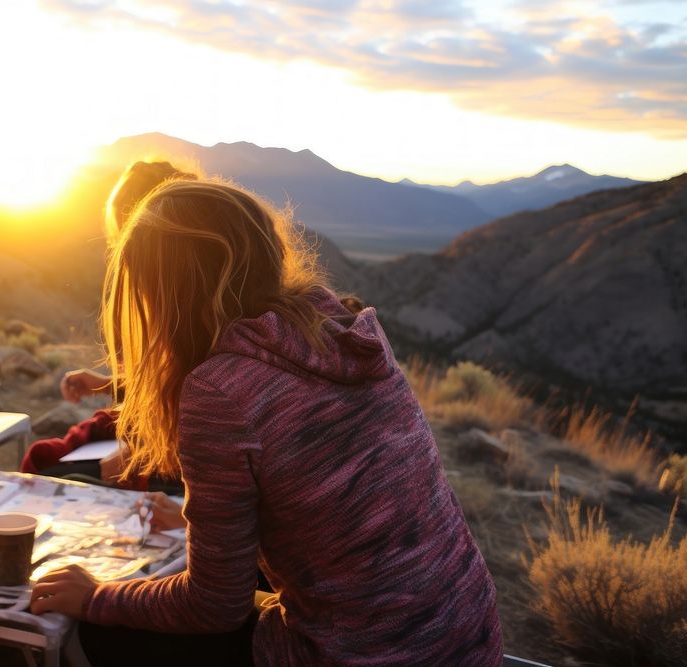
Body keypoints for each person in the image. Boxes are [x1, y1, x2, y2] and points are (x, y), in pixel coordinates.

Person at [29, 180, 503, 665]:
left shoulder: (222, 388)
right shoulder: (343, 332)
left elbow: (213, 606)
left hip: (365, 655)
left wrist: (94, 597)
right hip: (467, 637)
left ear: (163, 293)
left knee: (94, 636)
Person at [20, 161, 195, 489]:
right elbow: (163, 381)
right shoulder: (162, 297)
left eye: (126, 237)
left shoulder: (191, 306)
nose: (121, 255)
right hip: (145, 430)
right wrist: (105, 384)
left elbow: (196, 403)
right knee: (44, 455)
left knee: (49, 479)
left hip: (173, 450)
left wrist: (139, 453)